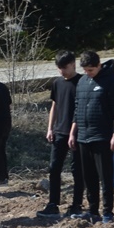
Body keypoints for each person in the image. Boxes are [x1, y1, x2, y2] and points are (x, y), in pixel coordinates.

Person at [68, 51, 114, 224]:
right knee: (89, 176)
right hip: (84, 136)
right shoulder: (82, 82)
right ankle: (93, 211)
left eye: (91, 70)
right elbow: (77, 109)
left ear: (99, 65)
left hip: (103, 136)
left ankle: (108, 213)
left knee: (105, 176)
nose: (88, 73)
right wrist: (73, 132)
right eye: (85, 70)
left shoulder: (111, 82)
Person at [39, 52, 84, 218]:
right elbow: (54, 106)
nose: (62, 72)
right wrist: (50, 128)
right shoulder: (57, 83)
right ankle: (53, 204)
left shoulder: (81, 82)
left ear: (73, 64)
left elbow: (80, 111)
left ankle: (76, 205)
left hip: (77, 133)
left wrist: (73, 132)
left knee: (77, 170)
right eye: (59, 69)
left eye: (64, 68)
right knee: (54, 168)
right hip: (59, 131)